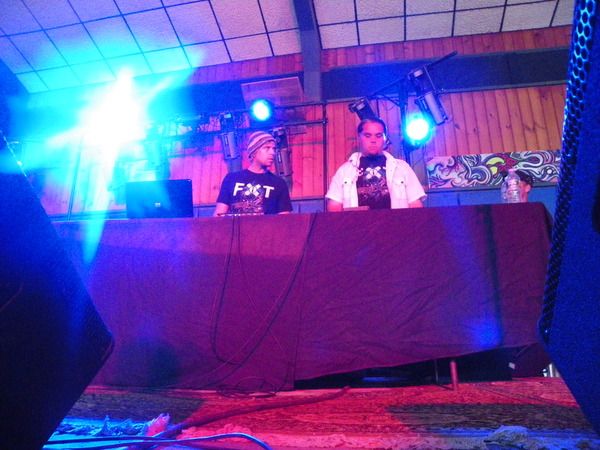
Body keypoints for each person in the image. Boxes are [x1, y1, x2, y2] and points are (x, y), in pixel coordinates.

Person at [326, 117, 426, 211]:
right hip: (357, 224)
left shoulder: (402, 168)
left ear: (385, 138)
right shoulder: (344, 171)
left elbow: (415, 204)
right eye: (367, 135)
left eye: (378, 136)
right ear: (359, 137)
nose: (373, 140)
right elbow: (334, 206)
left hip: (395, 223)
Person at [214, 130, 292, 216]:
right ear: (254, 151)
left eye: (274, 149)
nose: (272, 153)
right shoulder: (231, 179)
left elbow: (285, 219)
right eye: (267, 148)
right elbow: (219, 215)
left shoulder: (279, 183)